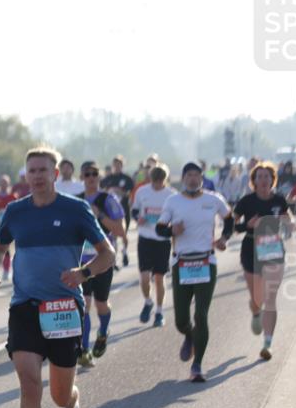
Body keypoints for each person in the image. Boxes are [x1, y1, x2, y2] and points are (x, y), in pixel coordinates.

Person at [0, 148, 115, 408]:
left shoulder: (75, 209)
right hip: (25, 306)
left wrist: (83, 273)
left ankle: (71, 405)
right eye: (32, 170)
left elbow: (108, 254)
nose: (37, 176)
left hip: (63, 308)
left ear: (55, 174)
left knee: (59, 394)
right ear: (25, 175)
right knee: (29, 385)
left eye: (43, 170)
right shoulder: (16, 211)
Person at [155, 162, 234, 382]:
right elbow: (160, 229)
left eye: (196, 175)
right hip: (181, 263)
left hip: (206, 261)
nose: (192, 179)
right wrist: (172, 230)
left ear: (201, 178)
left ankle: (197, 365)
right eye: (189, 175)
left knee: (201, 314)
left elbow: (230, 220)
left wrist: (224, 238)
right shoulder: (173, 201)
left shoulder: (213, 199)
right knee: (181, 319)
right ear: (183, 178)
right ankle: (189, 336)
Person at [233, 162, 296, 360]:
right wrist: (247, 225)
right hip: (250, 248)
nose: (263, 180)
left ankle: (267, 344)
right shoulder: (246, 201)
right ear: (253, 181)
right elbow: (232, 226)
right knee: (257, 299)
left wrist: (291, 223)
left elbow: (288, 216)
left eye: (266, 176)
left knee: (270, 299)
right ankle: (255, 312)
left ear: (272, 180)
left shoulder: (279, 200)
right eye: (259, 177)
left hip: (273, 249)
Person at [77, 161, 126, 367]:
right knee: (84, 304)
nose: (91, 177)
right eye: (87, 174)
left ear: (99, 177)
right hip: (82, 261)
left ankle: (103, 332)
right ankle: (84, 350)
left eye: (94, 174)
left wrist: (100, 215)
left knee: (101, 304)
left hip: (103, 260)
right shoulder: (76, 201)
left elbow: (120, 231)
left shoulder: (108, 200)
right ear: (82, 177)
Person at [131, 163, 174, 328]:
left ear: (165, 179)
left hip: (162, 240)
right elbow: (134, 210)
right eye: (155, 180)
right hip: (145, 238)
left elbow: (176, 216)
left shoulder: (171, 195)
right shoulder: (142, 192)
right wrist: (138, 218)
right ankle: (148, 302)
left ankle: (159, 312)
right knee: (144, 278)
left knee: (159, 278)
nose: (157, 183)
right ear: (151, 179)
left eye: (161, 180)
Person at [100, 155, 135, 266]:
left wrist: (120, 191)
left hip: (123, 210)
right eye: (115, 165)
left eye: (119, 165)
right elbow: (101, 191)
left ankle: (124, 252)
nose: (117, 167)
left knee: (124, 233)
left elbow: (130, 192)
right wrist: (110, 191)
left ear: (122, 165)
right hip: (110, 212)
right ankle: (113, 259)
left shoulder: (127, 178)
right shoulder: (107, 179)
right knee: (112, 235)